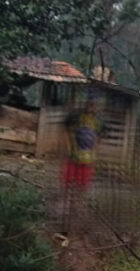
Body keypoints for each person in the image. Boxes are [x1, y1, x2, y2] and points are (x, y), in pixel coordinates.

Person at [61, 94, 104, 233]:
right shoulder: (76, 117)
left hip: (87, 161)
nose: (91, 106)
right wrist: (68, 148)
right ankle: (65, 214)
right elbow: (66, 129)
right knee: (67, 187)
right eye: (89, 103)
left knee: (82, 189)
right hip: (73, 158)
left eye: (94, 104)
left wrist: (95, 151)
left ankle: (77, 215)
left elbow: (99, 137)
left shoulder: (98, 122)